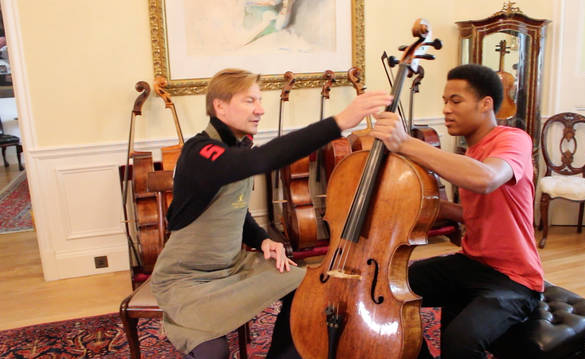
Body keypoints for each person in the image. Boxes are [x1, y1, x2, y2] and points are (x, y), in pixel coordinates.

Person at [150, 68, 392, 359]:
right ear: (220, 106)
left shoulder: (238, 146)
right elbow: (262, 160)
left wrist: (263, 239)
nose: (260, 110)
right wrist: (339, 122)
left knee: (308, 288)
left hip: (233, 267)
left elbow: (234, 211)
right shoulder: (200, 151)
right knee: (213, 351)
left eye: (260, 100)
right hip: (187, 279)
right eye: (250, 101)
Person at [370, 64, 543, 359]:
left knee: (460, 341)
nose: (446, 109)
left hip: (515, 278)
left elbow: (486, 179)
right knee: (385, 290)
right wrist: (422, 205)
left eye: (456, 101)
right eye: (444, 101)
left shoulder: (512, 139)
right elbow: (473, 213)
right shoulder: (469, 152)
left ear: (485, 103)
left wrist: (406, 143)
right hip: (471, 263)